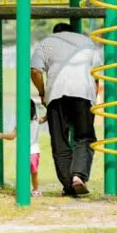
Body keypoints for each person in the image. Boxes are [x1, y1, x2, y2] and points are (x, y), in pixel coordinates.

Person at [30, 23, 102, 196]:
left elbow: (35, 71)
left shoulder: (47, 43)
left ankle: (69, 185)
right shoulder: (87, 42)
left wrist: (42, 92)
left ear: (56, 33)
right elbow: (97, 73)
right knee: (84, 137)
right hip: (83, 93)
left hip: (56, 94)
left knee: (59, 140)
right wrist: (94, 94)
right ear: (71, 31)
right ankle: (78, 175)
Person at [0, 100, 46, 197]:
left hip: (24, 152)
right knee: (34, 173)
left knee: (22, 172)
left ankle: (23, 189)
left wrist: (2, 135)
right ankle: (36, 190)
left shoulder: (21, 123)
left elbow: (12, 136)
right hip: (34, 152)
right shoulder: (36, 121)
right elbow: (45, 118)